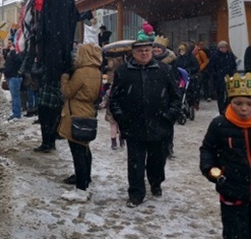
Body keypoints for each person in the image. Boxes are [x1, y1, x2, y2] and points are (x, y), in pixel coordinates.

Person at [109, 39, 181, 207]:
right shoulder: (123, 72)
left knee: (157, 160)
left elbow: (176, 97)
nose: (144, 53)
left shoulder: (164, 70)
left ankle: (156, 183)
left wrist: (170, 115)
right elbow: (115, 99)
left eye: (147, 50)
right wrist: (121, 118)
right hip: (134, 125)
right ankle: (136, 193)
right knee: (135, 162)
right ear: (133, 54)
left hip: (159, 124)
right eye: (140, 51)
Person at [200, 72, 251, 238]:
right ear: (230, 102)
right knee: (234, 231)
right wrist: (211, 169)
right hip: (232, 188)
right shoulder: (219, 124)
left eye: (249, 104)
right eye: (238, 103)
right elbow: (208, 149)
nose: (244, 108)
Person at [57, 43, 102, 202]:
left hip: (76, 111)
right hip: (88, 111)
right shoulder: (96, 71)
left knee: (77, 151)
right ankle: (86, 181)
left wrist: (64, 78)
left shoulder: (81, 72)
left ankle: (81, 189)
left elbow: (68, 92)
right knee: (84, 149)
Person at [208, 40, 238, 115]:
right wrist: (216, 75)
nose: (224, 49)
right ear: (219, 48)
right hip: (219, 78)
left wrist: (233, 73)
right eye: (222, 48)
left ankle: (227, 108)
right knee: (220, 95)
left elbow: (233, 65)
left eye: (225, 47)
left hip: (229, 77)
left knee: (229, 94)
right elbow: (211, 67)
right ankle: (221, 110)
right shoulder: (215, 56)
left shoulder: (230, 55)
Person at [3, 39, 24, 120]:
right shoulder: (9, 52)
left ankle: (17, 113)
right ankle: (14, 111)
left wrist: (13, 52)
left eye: (10, 43)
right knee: (13, 96)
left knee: (15, 96)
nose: (8, 45)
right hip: (10, 76)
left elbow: (18, 60)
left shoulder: (17, 52)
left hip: (14, 76)